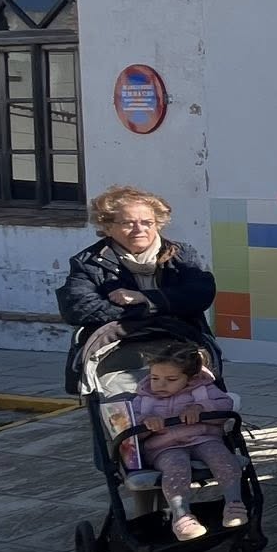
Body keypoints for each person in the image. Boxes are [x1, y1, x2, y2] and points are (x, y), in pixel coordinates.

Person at [58, 185, 220, 468]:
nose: (139, 229)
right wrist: (149, 309)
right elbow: (78, 307)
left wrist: (147, 298)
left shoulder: (180, 255)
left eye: (147, 222)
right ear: (107, 226)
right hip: (118, 354)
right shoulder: (87, 263)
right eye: (127, 223)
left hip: (180, 347)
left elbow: (200, 294)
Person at [134, 342, 247, 541]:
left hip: (202, 438)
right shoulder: (144, 398)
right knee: (176, 466)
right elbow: (126, 423)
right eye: (154, 378)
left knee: (222, 456)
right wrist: (145, 422)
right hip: (164, 446)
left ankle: (234, 504)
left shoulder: (202, 389)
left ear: (190, 378)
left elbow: (225, 404)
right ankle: (182, 517)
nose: (160, 385)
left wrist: (200, 408)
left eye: (171, 379)